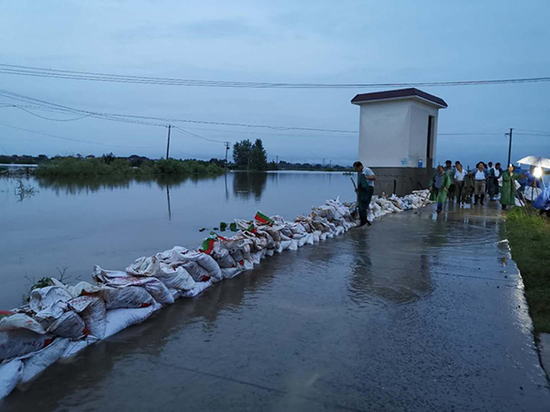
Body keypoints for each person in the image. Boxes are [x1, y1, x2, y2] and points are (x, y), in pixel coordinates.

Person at [353, 161, 376, 226]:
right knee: (361, 206)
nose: (357, 171)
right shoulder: (362, 173)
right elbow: (362, 184)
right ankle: (363, 221)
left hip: (368, 190)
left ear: (360, 166)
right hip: (363, 191)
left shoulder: (367, 170)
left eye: (356, 169)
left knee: (363, 206)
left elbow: (374, 178)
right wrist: (358, 189)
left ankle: (364, 221)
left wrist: (366, 177)